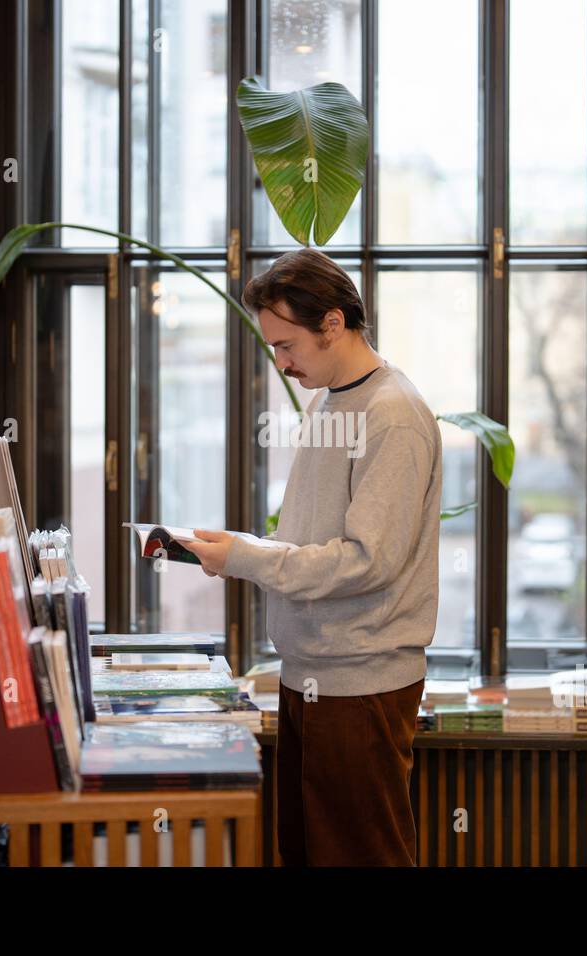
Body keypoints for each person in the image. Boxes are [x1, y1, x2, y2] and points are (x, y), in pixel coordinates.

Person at [182, 247, 442, 866]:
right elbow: (310, 543)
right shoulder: (329, 401)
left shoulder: (392, 415)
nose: (282, 363)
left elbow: (366, 561)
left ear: (333, 322)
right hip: (311, 672)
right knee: (310, 852)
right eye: (273, 347)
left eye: (287, 345)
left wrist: (249, 558)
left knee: (359, 856)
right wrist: (237, 550)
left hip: (360, 681)